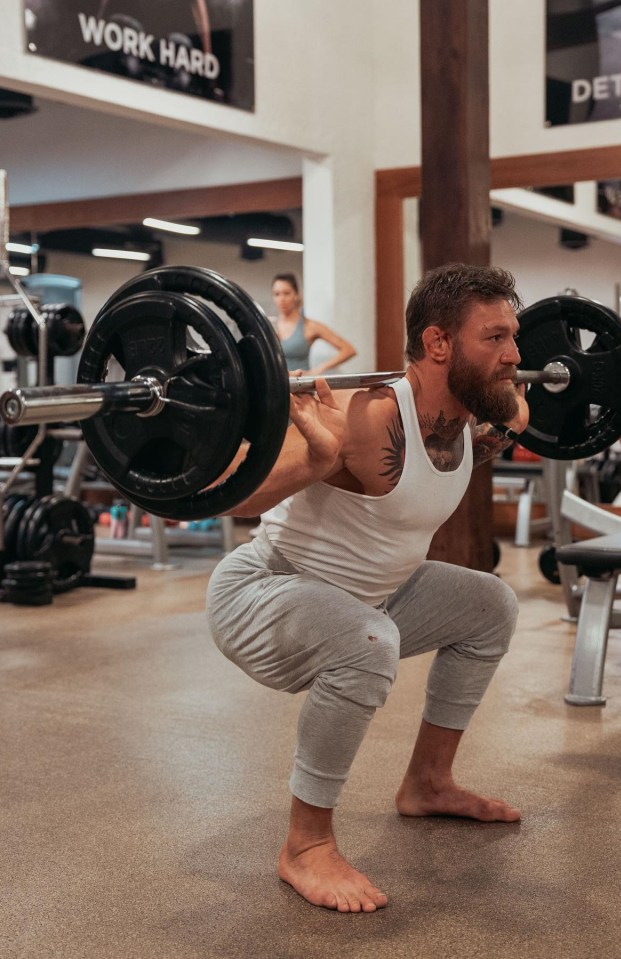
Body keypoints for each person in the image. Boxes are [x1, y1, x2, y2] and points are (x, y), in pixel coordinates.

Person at [207, 262, 529, 913]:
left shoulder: (470, 420)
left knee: (491, 605)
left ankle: (429, 782)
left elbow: (514, 418)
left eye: (513, 338)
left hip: (371, 594)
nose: (515, 355)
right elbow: (224, 493)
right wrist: (317, 462)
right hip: (263, 590)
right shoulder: (372, 415)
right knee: (370, 641)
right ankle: (304, 845)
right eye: (494, 339)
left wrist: (526, 408)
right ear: (439, 343)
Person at [270, 272, 357, 374]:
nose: (281, 299)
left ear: (296, 295)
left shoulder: (309, 326)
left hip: (300, 385)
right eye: (277, 294)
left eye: (286, 293)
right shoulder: (269, 326)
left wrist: (319, 369)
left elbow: (348, 350)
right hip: (276, 386)